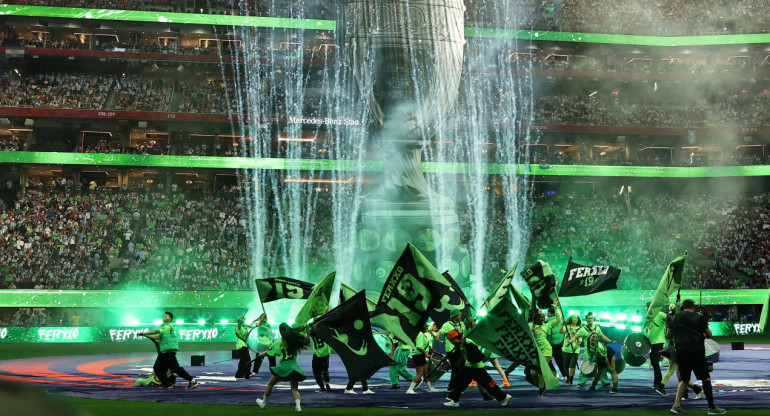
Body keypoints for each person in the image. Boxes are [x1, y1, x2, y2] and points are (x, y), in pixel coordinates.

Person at [667, 299, 725, 415]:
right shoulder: (698, 317)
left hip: (681, 351)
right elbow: (709, 335)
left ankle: (676, 406)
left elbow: (668, 335)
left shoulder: (675, 318)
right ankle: (712, 408)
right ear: (693, 307)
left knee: (684, 380)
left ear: (683, 307)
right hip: (696, 351)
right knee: (705, 379)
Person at [443, 330, 512, 407]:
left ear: (454, 339)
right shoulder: (460, 344)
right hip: (471, 367)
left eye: (451, 340)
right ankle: (455, 400)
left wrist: (465, 344)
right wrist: (447, 357)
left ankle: (455, 400)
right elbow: (456, 355)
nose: (451, 342)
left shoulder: (468, 342)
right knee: (460, 382)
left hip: (474, 367)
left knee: (487, 384)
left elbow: (478, 355)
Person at [255, 323, 311, 412]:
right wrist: (308, 333)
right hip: (294, 367)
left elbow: (267, 352)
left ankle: (263, 403)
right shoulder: (294, 341)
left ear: (280, 332)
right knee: (294, 389)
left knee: (270, 383)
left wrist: (261, 355)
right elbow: (307, 341)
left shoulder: (277, 344)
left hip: (284, 367)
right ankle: (298, 406)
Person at [140, 311, 198, 389]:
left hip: (169, 352)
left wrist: (146, 333)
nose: (164, 318)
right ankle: (168, 383)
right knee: (157, 368)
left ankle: (192, 381)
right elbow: (158, 338)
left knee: (175, 368)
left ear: (170, 319)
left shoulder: (168, 326)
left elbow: (157, 331)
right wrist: (146, 335)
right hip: (163, 353)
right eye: (164, 317)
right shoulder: (164, 329)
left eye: (166, 317)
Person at [571, 312, 615, 387]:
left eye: (591, 318)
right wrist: (569, 342)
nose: (590, 319)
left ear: (593, 319)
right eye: (589, 318)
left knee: (602, 367)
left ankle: (605, 382)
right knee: (585, 366)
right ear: (586, 319)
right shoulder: (583, 329)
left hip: (598, 351)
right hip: (588, 352)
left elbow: (602, 336)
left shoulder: (597, 328)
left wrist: (610, 341)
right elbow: (575, 336)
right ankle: (581, 382)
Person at [529, 300, 561, 396]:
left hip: (546, 349)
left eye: (543, 317)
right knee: (533, 372)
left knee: (541, 368)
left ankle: (541, 388)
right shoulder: (530, 325)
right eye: (541, 317)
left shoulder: (547, 326)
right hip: (536, 351)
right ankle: (542, 383)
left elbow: (558, 319)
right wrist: (531, 331)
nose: (543, 318)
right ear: (536, 318)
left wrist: (556, 308)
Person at [407, 321, 439, 394]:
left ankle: (430, 388)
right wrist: (426, 354)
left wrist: (430, 350)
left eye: (427, 327)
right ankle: (410, 389)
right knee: (420, 373)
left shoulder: (422, 334)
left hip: (420, 355)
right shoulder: (420, 335)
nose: (427, 328)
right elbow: (419, 347)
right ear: (422, 328)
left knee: (425, 373)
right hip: (418, 355)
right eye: (425, 327)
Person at [437, 309, 465, 392]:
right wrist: (437, 336)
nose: (460, 316)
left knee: (461, 368)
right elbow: (440, 332)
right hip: (451, 350)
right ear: (455, 316)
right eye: (459, 315)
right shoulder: (447, 324)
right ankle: (452, 387)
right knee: (455, 368)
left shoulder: (461, 324)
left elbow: (465, 332)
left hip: (460, 349)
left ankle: (454, 386)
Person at [235, 313, 266, 379]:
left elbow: (253, 325)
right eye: (243, 320)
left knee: (243, 361)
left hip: (244, 346)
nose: (244, 321)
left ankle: (239, 374)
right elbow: (239, 324)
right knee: (247, 360)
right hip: (241, 346)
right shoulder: (238, 328)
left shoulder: (245, 327)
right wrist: (240, 320)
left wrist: (258, 319)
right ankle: (247, 374)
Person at [645, 307, 668, 396]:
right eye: (647, 309)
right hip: (651, 342)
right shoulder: (648, 318)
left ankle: (659, 384)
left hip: (658, 342)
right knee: (654, 363)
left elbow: (668, 320)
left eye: (649, 308)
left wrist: (666, 321)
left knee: (656, 363)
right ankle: (656, 383)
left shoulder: (660, 314)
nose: (648, 310)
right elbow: (648, 329)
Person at [561, 314, 582, 385]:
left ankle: (571, 379)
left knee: (572, 365)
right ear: (571, 319)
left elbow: (580, 340)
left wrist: (576, 348)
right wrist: (562, 323)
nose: (575, 320)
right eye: (574, 318)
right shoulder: (567, 326)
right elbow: (561, 332)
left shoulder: (580, 329)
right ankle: (567, 377)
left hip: (575, 349)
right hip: (566, 348)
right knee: (565, 366)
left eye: (576, 318)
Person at [546, 306, 566, 379]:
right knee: (560, 361)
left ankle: (554, 374)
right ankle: (565, 375)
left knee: (547, 360)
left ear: (551, 314)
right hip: (558, 344)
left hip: (549, 344)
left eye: (548, 312)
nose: (547, 313)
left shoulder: (547, 322)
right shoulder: (560, 321)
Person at [310, 326, 331, 392]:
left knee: (316, 371)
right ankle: (327, 382)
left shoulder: (312, 331)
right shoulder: (324, 330)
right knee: (325, 368)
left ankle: (322, 387)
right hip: (326, 352)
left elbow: (307, 341)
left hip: (318, 354)